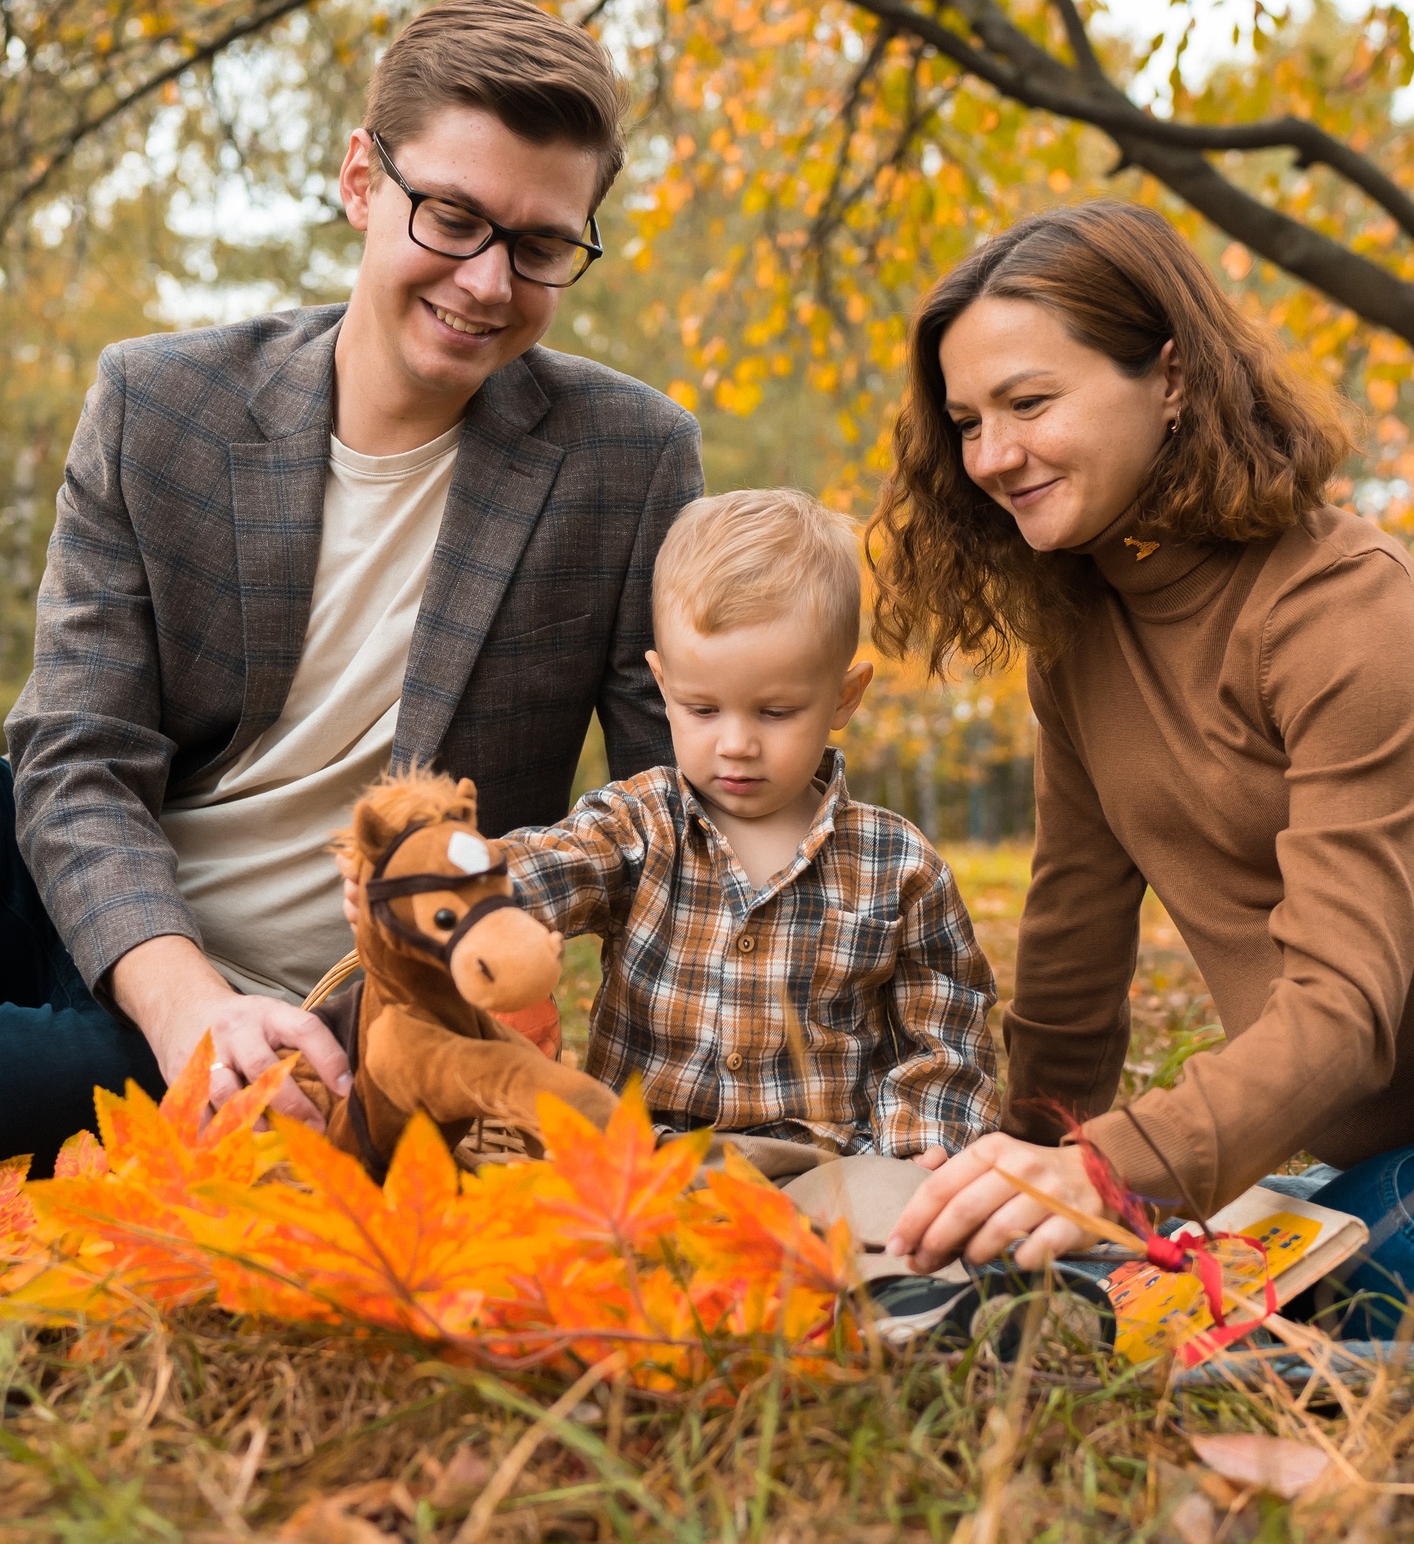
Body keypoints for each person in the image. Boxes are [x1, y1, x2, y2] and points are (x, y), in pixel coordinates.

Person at [0, 0, 702, 1209]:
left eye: (539, 246)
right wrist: (184, 1005)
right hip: (98, 920)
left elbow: (673, 813)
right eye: (455, 217)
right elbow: (76, 756)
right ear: (362, 179)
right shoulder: (158, 402)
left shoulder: (628, 457)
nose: (488, 281)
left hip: (325, 1031)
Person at [873, 201, 1414, 1340]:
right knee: (1273, 1275)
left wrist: (1120, 1171)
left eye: (1028, 401)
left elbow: (1344, 1003)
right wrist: (1029, 1160)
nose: (989, 455)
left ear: (1167, 378)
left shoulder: (1339, 606)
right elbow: (1073, 930)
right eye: (966, 420)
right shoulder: (1079, 644)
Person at [411, 489, 1000, 1212]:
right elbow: (550, 865)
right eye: (702, 709)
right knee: (562, 1223)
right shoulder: (639, 823)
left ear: (845, 697)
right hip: (645, 1156)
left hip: (824, 1165)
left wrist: (924, 1140)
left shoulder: (896, 863)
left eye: (776, 712)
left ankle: (887, 1293)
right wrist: (449, 885)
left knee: (896, 1223)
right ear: (663, 687)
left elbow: (945, 1027)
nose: (736, 744)